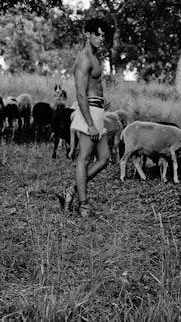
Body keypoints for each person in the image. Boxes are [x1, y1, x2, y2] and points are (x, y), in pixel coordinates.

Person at [63, 17, 112, 218]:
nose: (101, 38)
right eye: (97, 34)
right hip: (88, 114)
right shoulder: (83, 58)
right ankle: (83, 205)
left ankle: (72, 189)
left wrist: (102, 101)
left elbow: (92, 89)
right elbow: (81, 93)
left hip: (96, 110)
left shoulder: (95, 57)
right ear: (88, 34)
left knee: (104, 159)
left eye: (103, 35)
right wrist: (90, 123)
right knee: (83, 159)